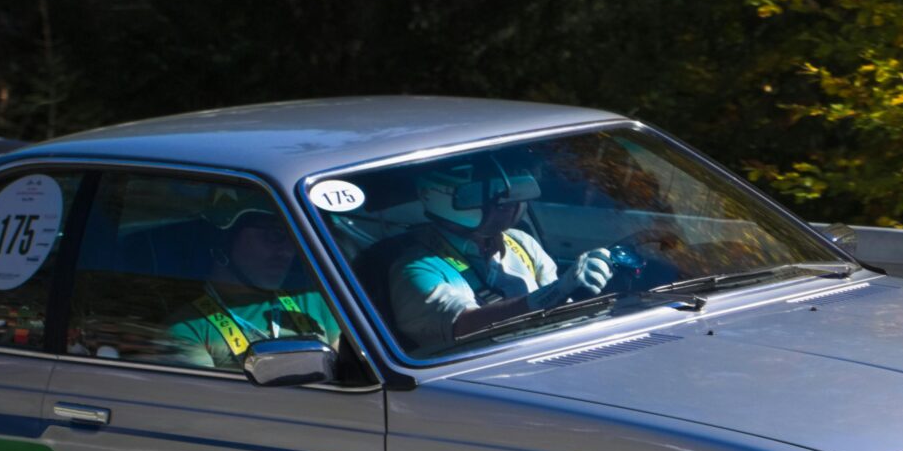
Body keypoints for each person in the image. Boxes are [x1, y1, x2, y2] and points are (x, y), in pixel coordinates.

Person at [386, 159, 612, 353]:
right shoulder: (416, 269)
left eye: (513, 197)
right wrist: (556, 291)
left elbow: (561, 310)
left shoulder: (520, 241)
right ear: (443, 196)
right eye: (492, 198)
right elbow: (465, 326)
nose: (509, 206)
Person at [164, 210, 344, 370]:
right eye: (275, 235)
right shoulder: (189, 327)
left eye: (293, 239)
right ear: (224, 239)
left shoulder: (314, 298)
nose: (288, 252)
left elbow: (349, 373)